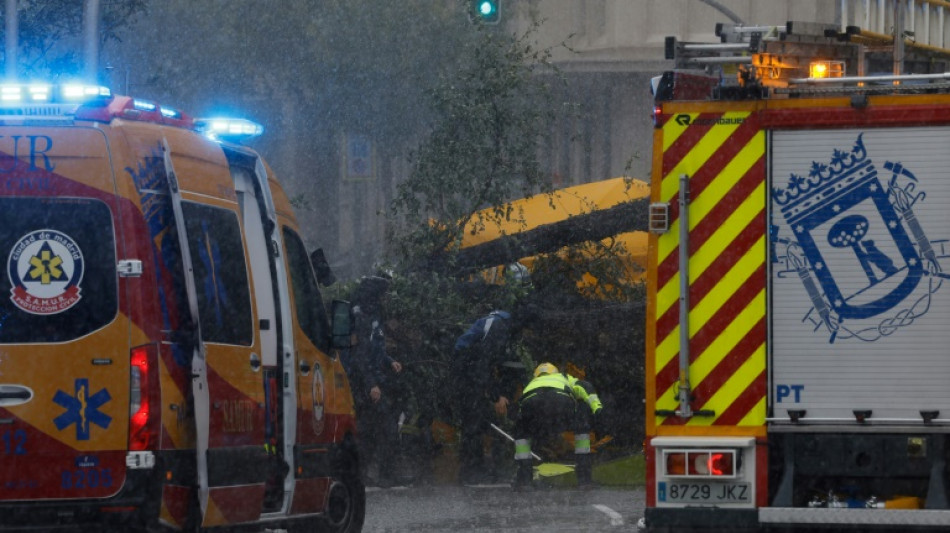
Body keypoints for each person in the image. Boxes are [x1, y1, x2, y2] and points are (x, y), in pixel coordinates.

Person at [451, 309, 528, 485]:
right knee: (473, 422)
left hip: (468, 371)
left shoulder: (500, 323)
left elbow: (495, 364)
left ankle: (476, 469)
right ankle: (470, 472)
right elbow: (482, 365)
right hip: (465, 373)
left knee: (476, 422)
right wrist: (496, 397)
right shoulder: (499, 328)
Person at [345, 275, 403, 487]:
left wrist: (390, 361)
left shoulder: (374, 314)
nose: (386, 297)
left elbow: (375, 348)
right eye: (383, 293)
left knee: (370, 428)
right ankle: (385, 475)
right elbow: (360, 355)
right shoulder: (361, 316)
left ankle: (366, 475)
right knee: (384, 427)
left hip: (374, 377)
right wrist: (371, 385)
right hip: (364, 382)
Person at [512, 362, 603, 490]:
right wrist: (597, 408)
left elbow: (521, 408)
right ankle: (584, 480)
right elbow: (584, 386)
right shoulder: (563, 377)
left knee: (521, 434)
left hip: (532, 405)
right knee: (581, 428)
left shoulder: (531, 384)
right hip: (561, 403)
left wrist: (521, 426)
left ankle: (524, 481)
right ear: (555, 372)